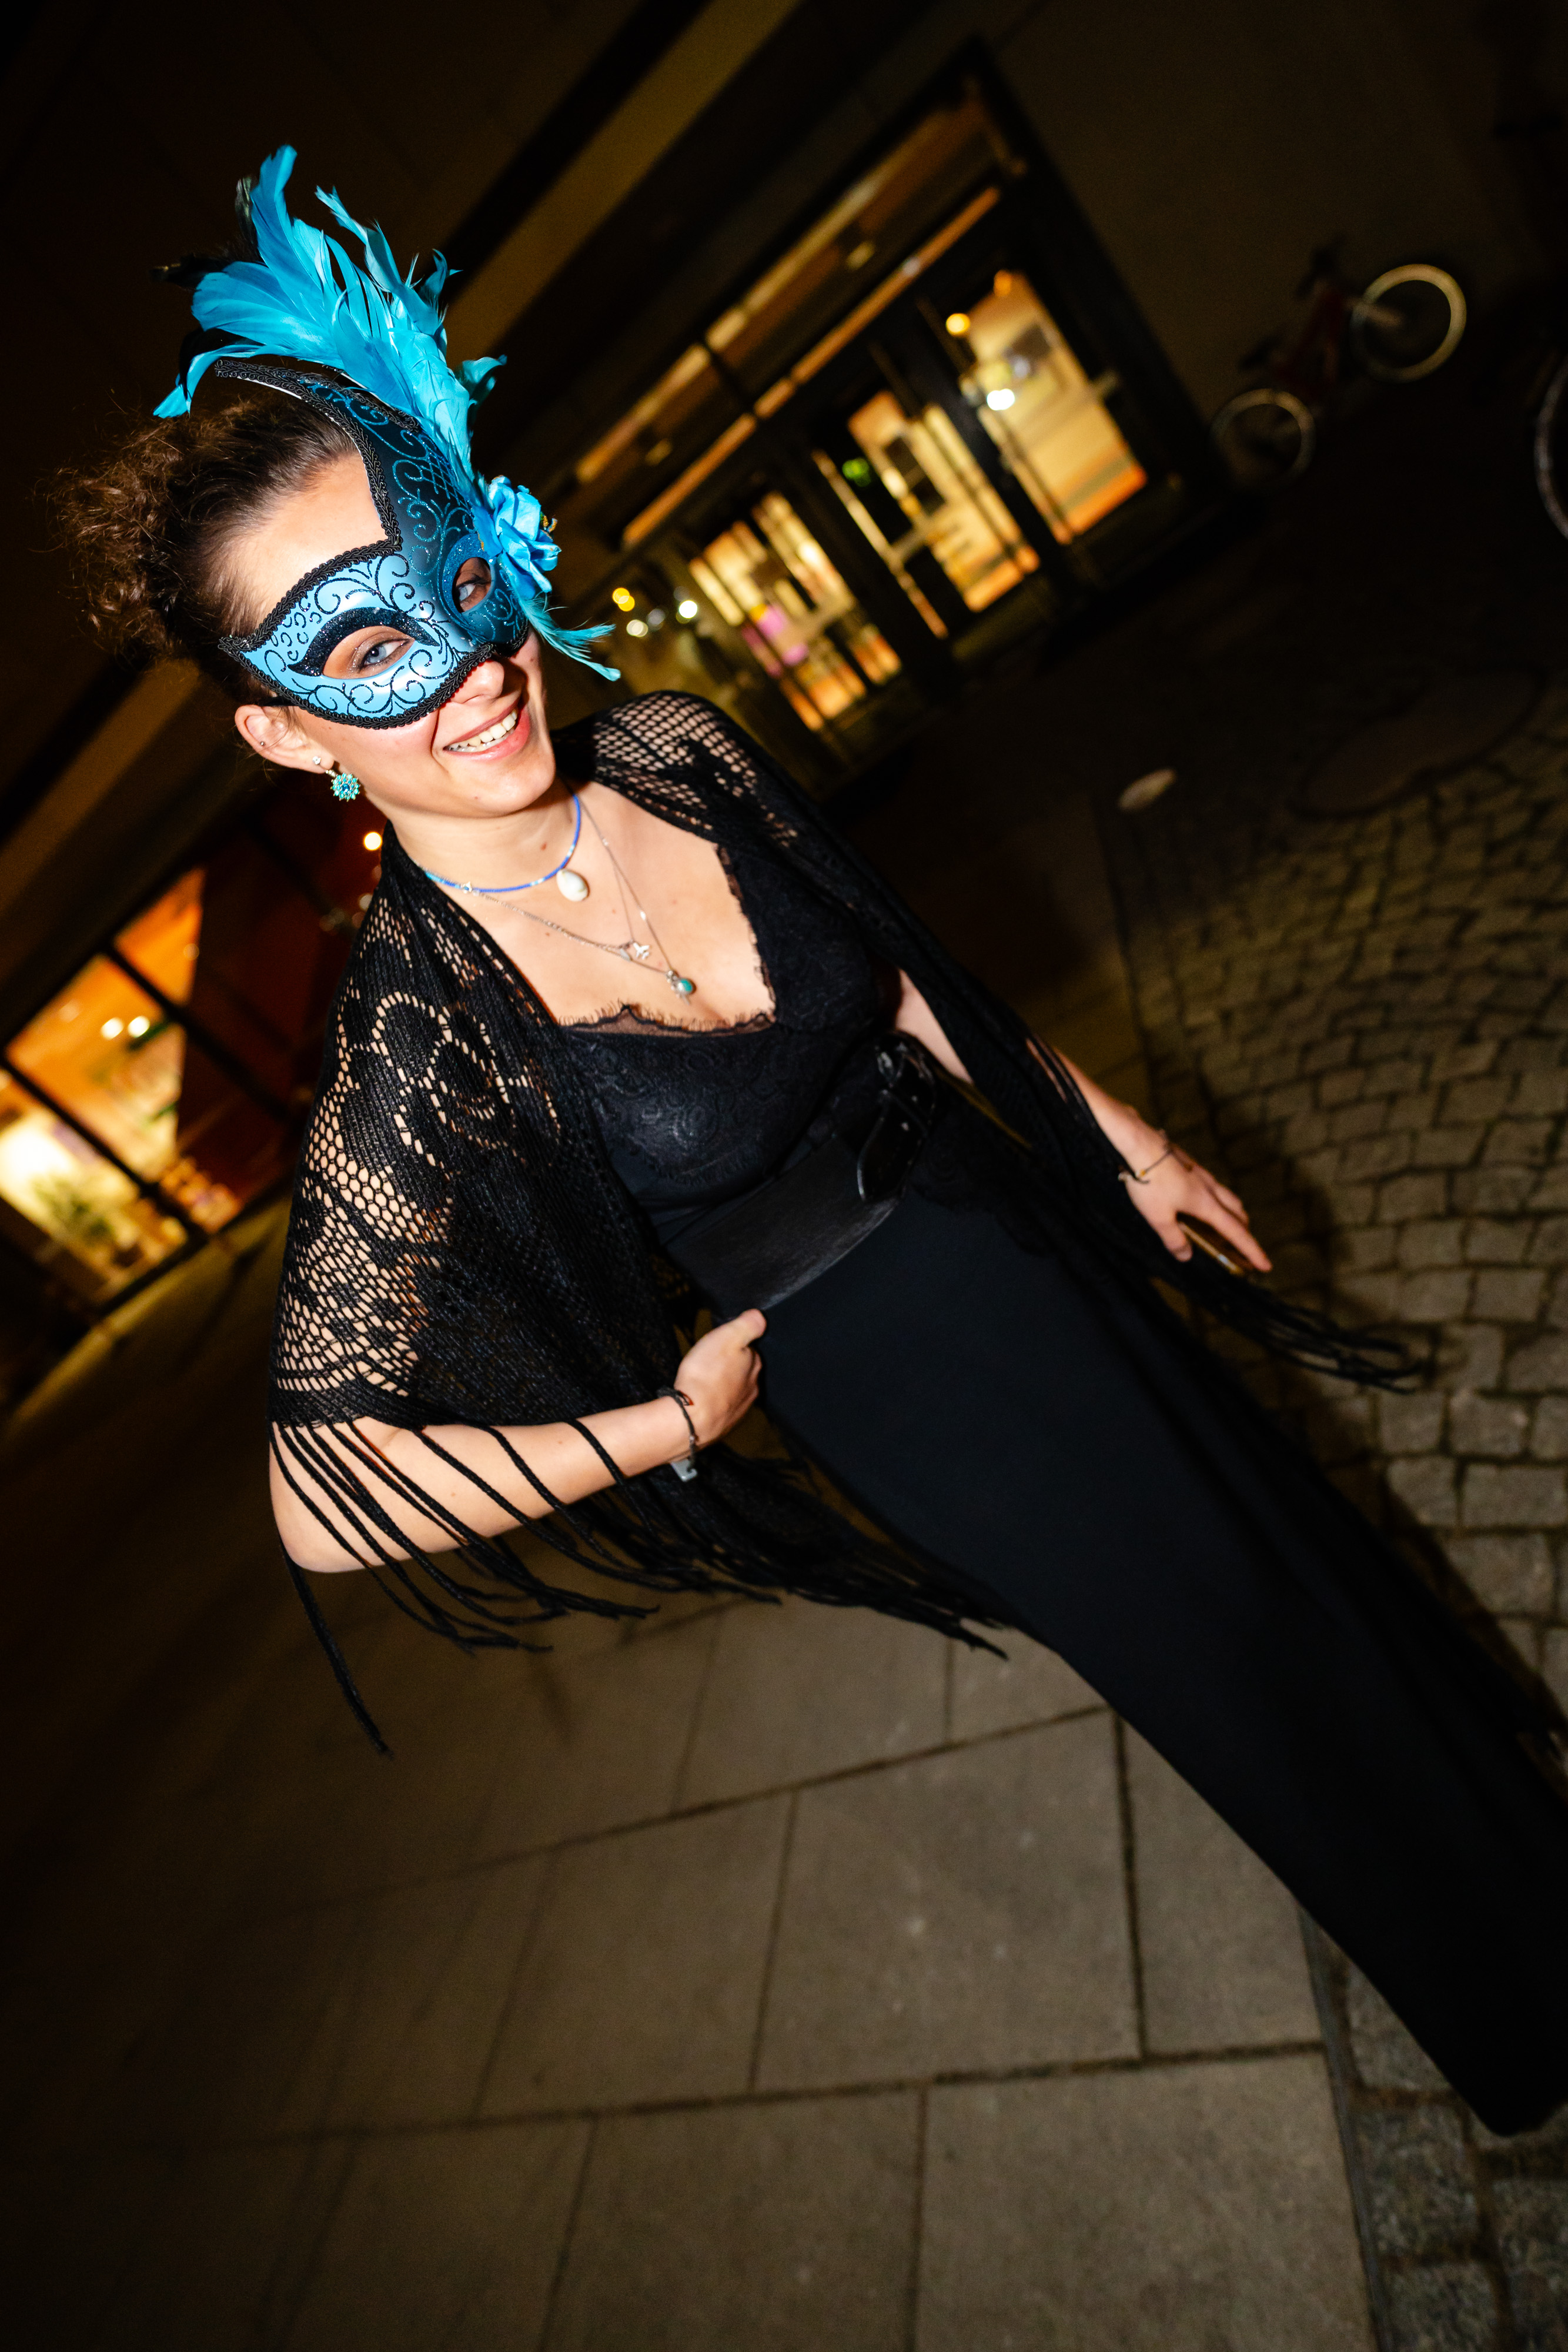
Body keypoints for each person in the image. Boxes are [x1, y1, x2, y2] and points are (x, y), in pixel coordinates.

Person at [60, 150, 1568, 2136]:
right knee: (1228, 1661)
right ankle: (1517, 2004)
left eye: (452, 565)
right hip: (906, 1380)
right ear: (283, 732)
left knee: (1287, 1540)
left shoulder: (674, 748)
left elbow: (894, 971)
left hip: (1012, 1217)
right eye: (357, 653)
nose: (468, 662)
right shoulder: (419, 1037)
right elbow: (327, 1499)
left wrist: (1115, 1139)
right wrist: (661, 1429)